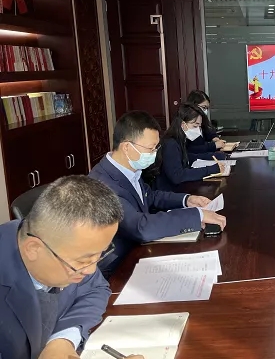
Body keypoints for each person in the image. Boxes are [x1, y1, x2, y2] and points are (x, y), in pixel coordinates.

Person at [0, 176, 144, 359]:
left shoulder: (63, 249)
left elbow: (96, 288)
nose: (91, 271)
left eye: (99, 255)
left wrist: (62, 340)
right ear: (33, 249)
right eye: (83, 261)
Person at [89, 110, 227, 277]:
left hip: (138, 252)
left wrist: (187, 200)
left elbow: (150, 196)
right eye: (150, 148)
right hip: (116, 269)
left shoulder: (128, 170)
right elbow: (140, 227)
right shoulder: (102, 184)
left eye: (156, 147)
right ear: (126, 147)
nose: (154, 153)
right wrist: (197, 215)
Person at [149, 103, 226, 192]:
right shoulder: (171, 143)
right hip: (169, 192)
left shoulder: (181, 139)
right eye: (195, 126)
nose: (198, 130)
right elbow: (177, 176)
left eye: (199, 127)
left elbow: (189, 157)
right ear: (183, 124)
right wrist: (209, 170)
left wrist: (217, 156)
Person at [186, 90, 227, 158]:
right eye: (204, 107)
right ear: (193, 105)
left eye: (207, 108)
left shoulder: (202, 119)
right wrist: (214, 146)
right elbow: (190, 149)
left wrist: (214, 138)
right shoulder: (187, 123)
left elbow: (208, 131)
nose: (206, 111)